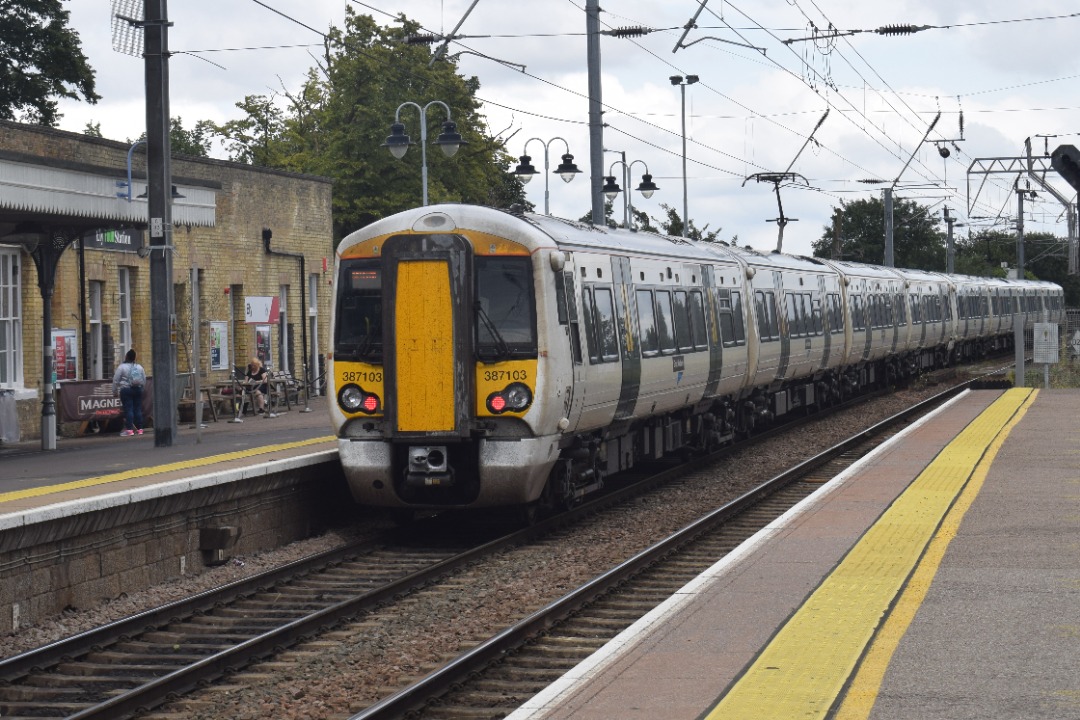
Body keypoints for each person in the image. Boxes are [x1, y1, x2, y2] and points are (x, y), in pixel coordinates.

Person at [112, 349, 146, 436]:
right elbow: (144, 379)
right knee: (138, 409)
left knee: (128, 409)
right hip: (138, 389)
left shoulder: (121, 367)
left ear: (126, 357)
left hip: (126, 390)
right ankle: (140, 429)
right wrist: (142, 389)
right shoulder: (139, 367)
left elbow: (116, 380)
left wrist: (114, 391)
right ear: (134, 358)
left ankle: (129, 430)